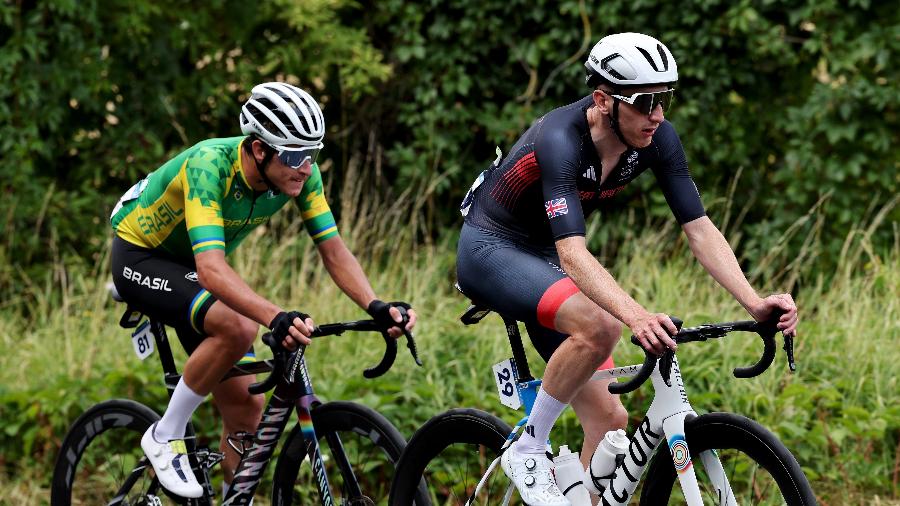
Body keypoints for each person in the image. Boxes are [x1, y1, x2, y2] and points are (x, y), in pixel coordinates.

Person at [456, 32, 798, 505]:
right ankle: (528, 448)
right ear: (602, 100)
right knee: (601, 326)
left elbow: (698, 229)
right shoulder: (560, 138)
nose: (658, 115)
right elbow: (575, 255)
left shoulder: (656, 139)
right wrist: (635, 316)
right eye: (645, 102)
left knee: (610, 422)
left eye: (665, 99)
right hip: (492, 248)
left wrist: (755, 301)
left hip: (547, 257)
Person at [109, 82, 416, 499]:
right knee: (237, 327)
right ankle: (165, 435)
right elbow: (212, 269)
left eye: (312, 154)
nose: (305, 167)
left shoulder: (300, 173)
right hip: (141, 257)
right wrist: (275, 316)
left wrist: (376, 304)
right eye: (293, 156)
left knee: (247, 411)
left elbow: (333, 249)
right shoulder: (209, 165)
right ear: (258, 149)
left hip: (193, 267)